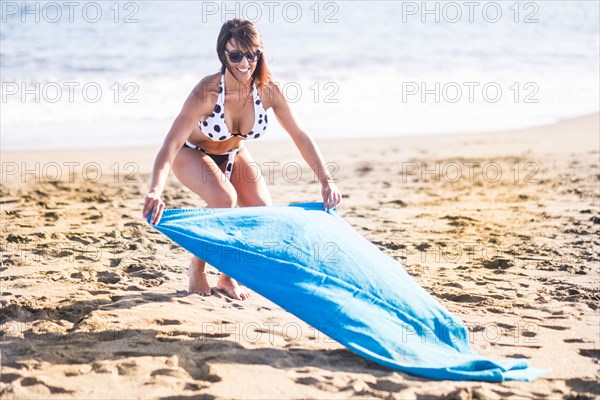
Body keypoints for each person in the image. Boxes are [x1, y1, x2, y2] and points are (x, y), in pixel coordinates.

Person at [142, 18, 342, 300]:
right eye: (235, 55)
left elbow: (300, 135)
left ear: (259, 53)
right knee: (224, 199)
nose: (244, 63)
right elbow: (170, 143)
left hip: (234, 154)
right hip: (191, 153)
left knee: (260, 211)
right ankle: (196, 268)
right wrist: (155, 190)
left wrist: (326, 181)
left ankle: (227, 276)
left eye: (251, 54)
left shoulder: (268, 90)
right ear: (222, 54)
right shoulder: (207, 92)